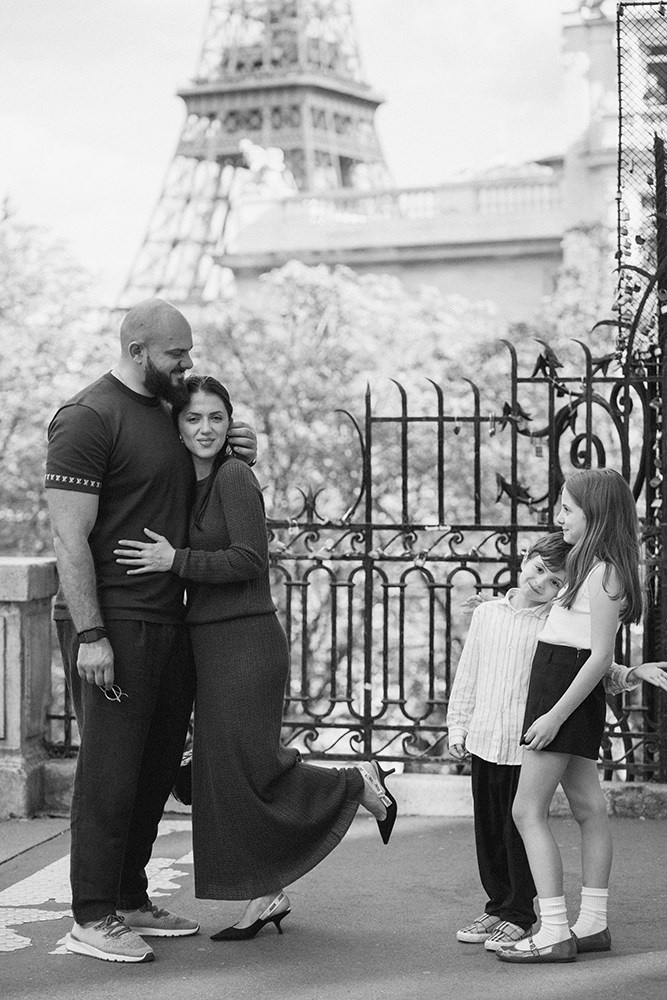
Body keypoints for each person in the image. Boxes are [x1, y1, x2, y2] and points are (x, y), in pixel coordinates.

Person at [114, 374, 398, 940]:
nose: (205, 428)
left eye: (216, 417)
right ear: (176, 425)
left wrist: (176, 561)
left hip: (245, 641)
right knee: (222, 776)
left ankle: (356, 783)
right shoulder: (189, 484)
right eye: (193, 418)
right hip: (209, 645)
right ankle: (264, 893)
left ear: (231, 422)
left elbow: (248, 560)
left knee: (251, 769)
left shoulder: (235, 477)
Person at [45, 299, 257, 964]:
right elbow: (68, 538)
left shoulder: (168, 412)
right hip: (113, 622)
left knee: (155, 765)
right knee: (109, 772)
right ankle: (91, 916)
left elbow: (195, 474)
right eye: (176, 354)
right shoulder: (87, 418)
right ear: (139, 351)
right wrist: (90, 636)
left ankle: (130, 895)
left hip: (170, 616)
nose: (187, 363)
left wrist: (235, 442)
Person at [448, 532, 666, 954]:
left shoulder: (552, 622)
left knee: (518, 830)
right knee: (489, 830)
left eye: (553, 581)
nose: (540, 582)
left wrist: (630, 674)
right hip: (484, 736)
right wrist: (458, 728)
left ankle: (519, 913)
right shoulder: (488, 613)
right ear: (526, 558)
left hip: (526, 738)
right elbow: (468, 673)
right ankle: (498, 906)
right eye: (539, 569)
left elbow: (589, 664)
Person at [497, 468, 643, 965]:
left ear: (595, 515)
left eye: (567, 509)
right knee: (588, 807)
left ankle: (555, 929)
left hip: (564, 692)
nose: (558, 517)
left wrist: (555, 716)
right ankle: (594, 922)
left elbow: (598, 654)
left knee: (526, 810)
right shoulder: (589, 565)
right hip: (561, 684)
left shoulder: (605, 572)